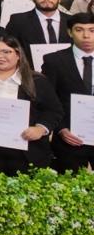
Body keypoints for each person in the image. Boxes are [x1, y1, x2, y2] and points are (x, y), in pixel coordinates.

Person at [0, 35, 62, 174]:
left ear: (18, 54)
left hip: (27, 150)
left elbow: (54, 110)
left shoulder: (36, 80)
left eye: (6, 51)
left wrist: (40, 129)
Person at [41, 12, 94, 172]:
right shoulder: (54, 60)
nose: (86, 36)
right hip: (69, 137)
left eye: (92, 30)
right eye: (79, 30)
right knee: (72, 189)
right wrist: (61, 129)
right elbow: (48, 100)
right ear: (70, 32)